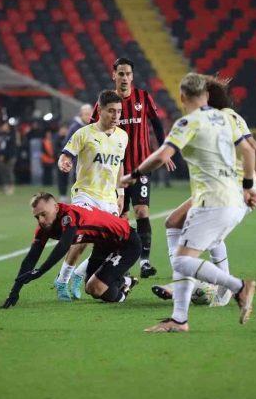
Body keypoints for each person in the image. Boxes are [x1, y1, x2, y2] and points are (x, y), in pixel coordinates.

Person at [120, 73, 256, 333]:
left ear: (182, 97)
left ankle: (238, 287)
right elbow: (250, 151)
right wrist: (250, 187)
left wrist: (133, 175)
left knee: (182, 262)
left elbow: (162, 156)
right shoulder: (228, 117)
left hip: (211, 201)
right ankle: (179, 319)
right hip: (232, 198)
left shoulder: (187, 123)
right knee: (184, 256)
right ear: (206, 96)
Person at [154, 76, 256, 309]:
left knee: (176, 222)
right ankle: (222, 289)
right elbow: (254, 148)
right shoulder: (224, 117)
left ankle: (189, 282)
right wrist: (255, 171)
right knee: (183, 224)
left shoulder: (222, 117)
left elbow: (252, 149)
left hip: (230, 187)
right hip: (226, 185)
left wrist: (251, 176)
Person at [91, 57, 171, 278]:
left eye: (128, 74)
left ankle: (145, 261)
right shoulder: (106, 102)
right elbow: (92, 128)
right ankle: (123, 263)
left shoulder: (143, 98)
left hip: (141, 167)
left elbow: (156, 123)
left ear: (132, 77)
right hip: (114, 171)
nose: (124, 78)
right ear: (114, 75)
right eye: (121, 74)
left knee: (142, 211)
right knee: (120, 216)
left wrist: (165, 150)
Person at [0, 192, 141, 309]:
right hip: (102, 244)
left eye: (43, 214)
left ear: (55, 207)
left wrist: (40, 271)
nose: (41, 220)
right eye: (37, 217)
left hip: (126, 243)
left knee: (96, 288)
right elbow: (32, 257)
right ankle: (126, 280)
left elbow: (63, 246)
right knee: (91, 289)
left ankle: (123, 292)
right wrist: (14, 291)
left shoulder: (70, 216)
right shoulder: (44, 226)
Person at [53, 90, 127, 301]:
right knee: (83, 239)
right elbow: (65, 155)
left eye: (119, 112)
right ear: (101, 110)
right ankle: (62, 280)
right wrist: (64, 162)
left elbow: (119, 165)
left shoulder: (122, 136)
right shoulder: (84, 133)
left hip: (109, 197)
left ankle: (79, 273)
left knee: (114, 245)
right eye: (111, 111)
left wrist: (120, 193)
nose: (115, 116)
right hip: (85, 194)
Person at [58, 104, 92, 202]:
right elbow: (67, 146)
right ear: (81, 115)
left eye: (89, 114)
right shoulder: (75, 128)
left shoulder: (95, 126)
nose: (88, 117)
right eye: (85, 114)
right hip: (79, 165)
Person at [0, 122, 17, 196]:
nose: (3, 127)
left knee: (9, 172)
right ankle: (4, 187)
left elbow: (12, 147)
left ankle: (11, 187)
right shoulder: (1, 135)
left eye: (4, 126)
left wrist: (5, 155)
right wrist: (0, 155)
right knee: (2, 172)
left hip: (10, 156)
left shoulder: (12, 135)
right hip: (2, 157)